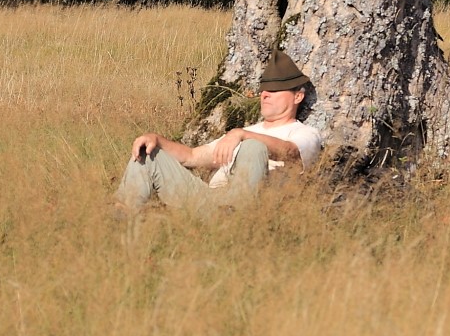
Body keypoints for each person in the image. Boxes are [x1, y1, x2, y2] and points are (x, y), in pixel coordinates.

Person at [114, 49, 322, 215]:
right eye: (263, 90)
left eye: (275, 90)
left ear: (297, 97)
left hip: (249, 210)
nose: (265, 95)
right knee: (148, 153)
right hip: (209, 202)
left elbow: (290, 151)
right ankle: (122, 217)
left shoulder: (304, 134)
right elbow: (191, 156)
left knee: (253, 147)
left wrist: (241, 135)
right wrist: (155, 139)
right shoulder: (245, 132)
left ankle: (235, 217)